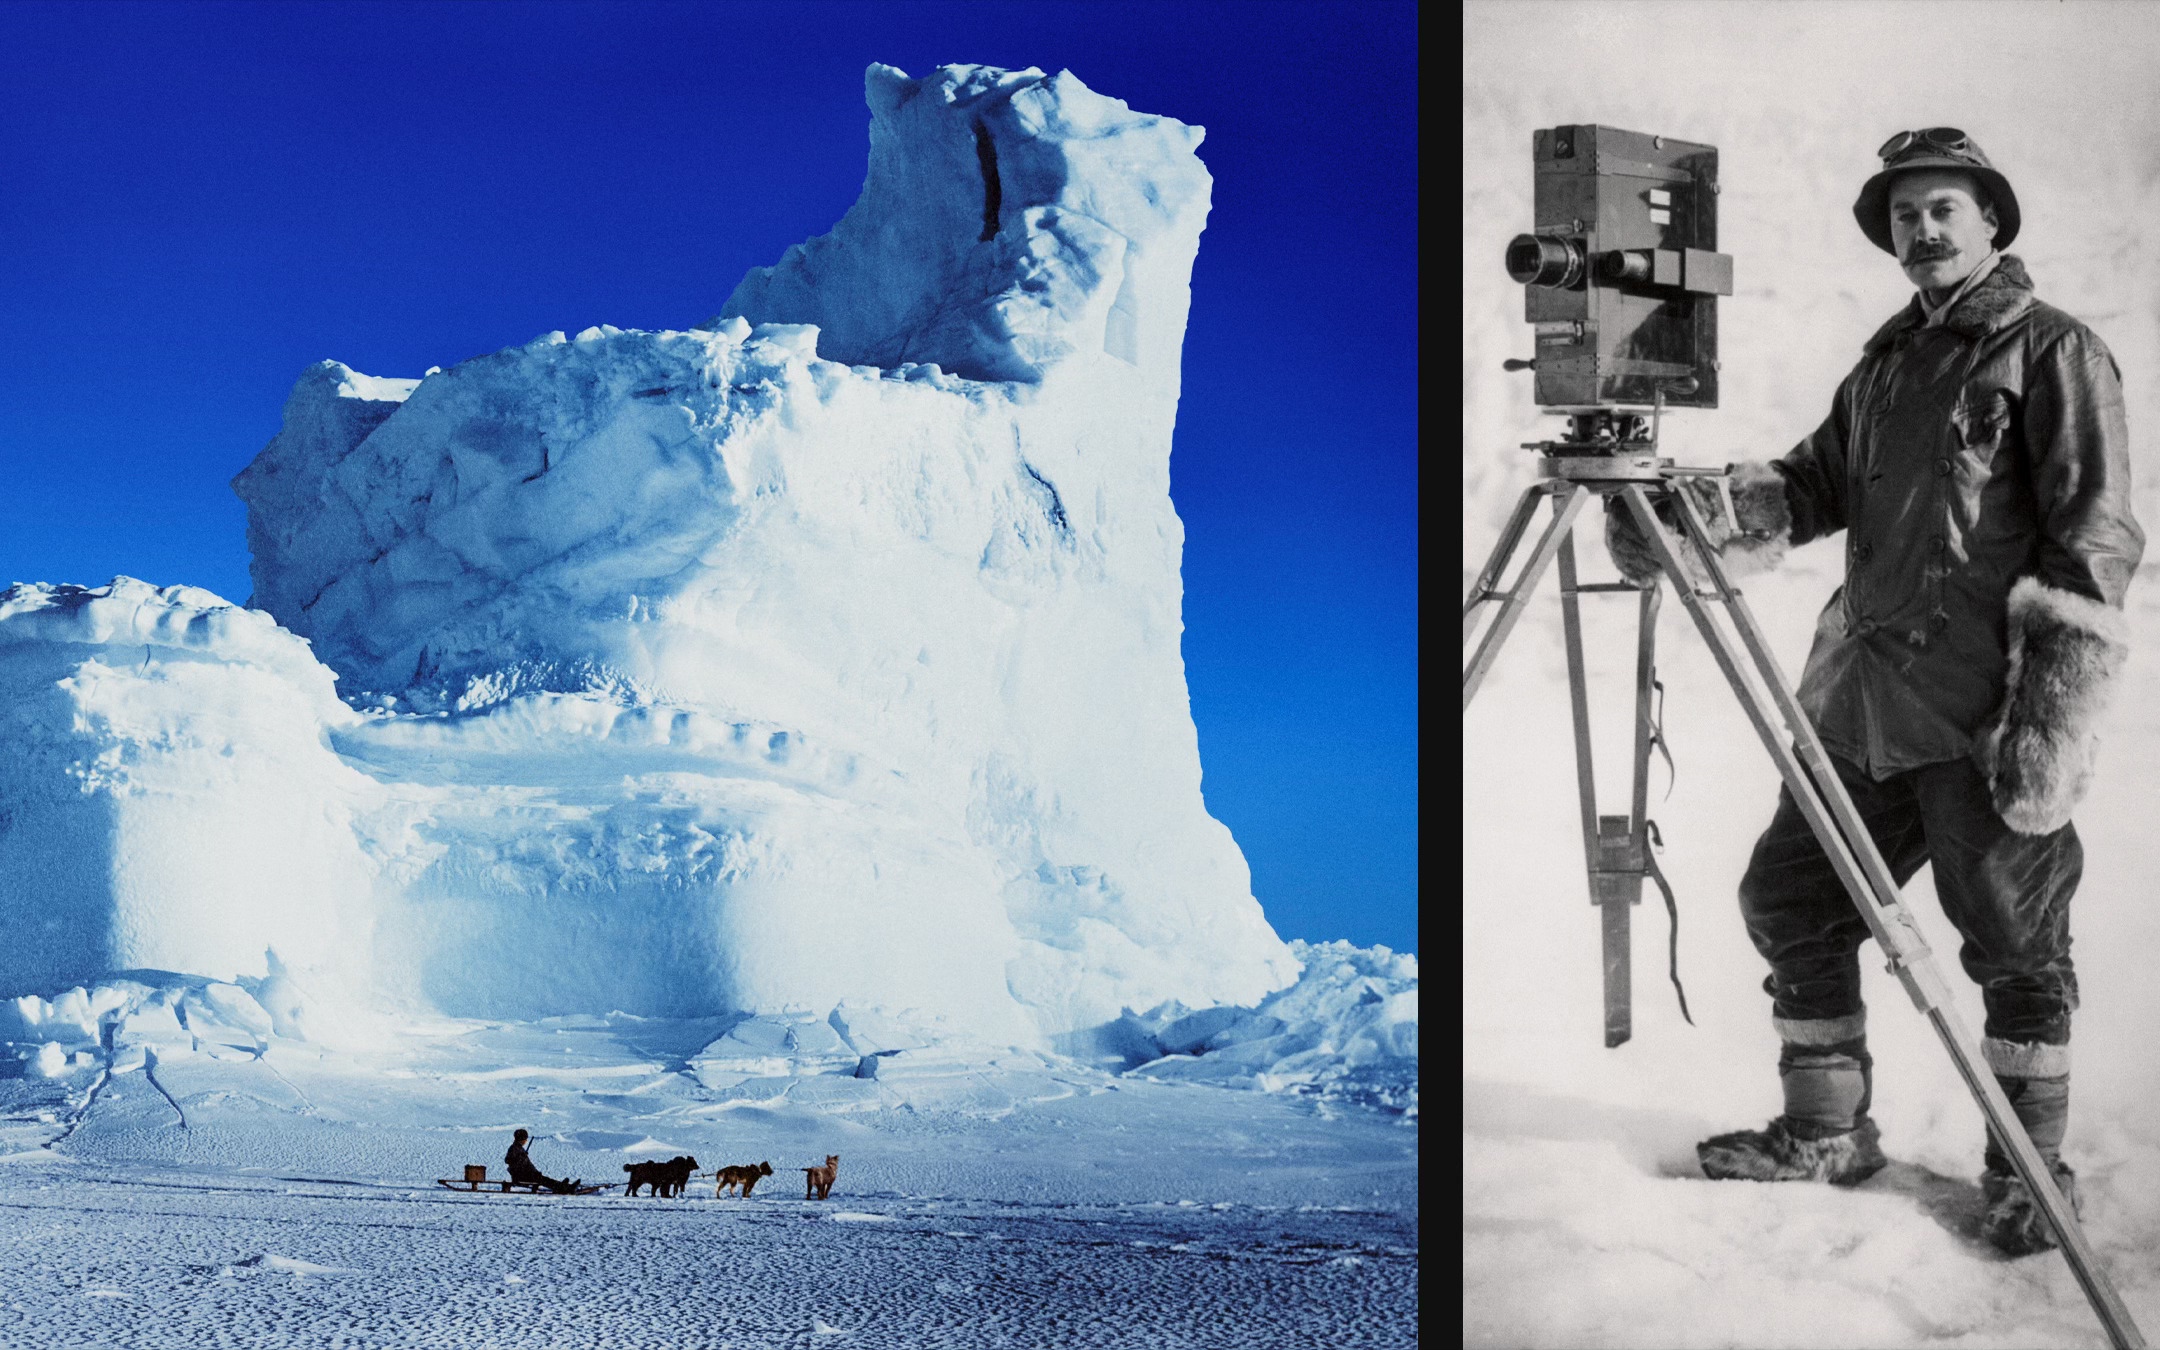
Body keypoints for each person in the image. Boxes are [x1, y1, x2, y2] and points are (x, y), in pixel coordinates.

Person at [1607, 128, 2143, 1256]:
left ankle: (2026, 1170)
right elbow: (1811, 487)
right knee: (1791, 902)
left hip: (1981, 716)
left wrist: (2044, 720)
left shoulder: (2056, 353)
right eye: (1905, 215)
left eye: (1943, 207)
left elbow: (2095, 539)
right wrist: (1684, 510)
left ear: (1992, 220)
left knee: (2013, 940)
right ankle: (1826, 1134)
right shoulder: (1886, 364)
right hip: (1857, 706)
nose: (1923, 230)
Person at [505, 1128, 582, 1194]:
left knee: (544, 1179)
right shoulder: (514, 1149)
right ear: (521, 1139)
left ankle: (564, 1186)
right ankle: (564, 1188)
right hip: (522, 1177)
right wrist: (521, 1158)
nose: (526, 1140)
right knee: (544, 1180)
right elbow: (509, 1161)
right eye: (525, 1138)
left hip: (527, 1175)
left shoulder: (518, 1148)